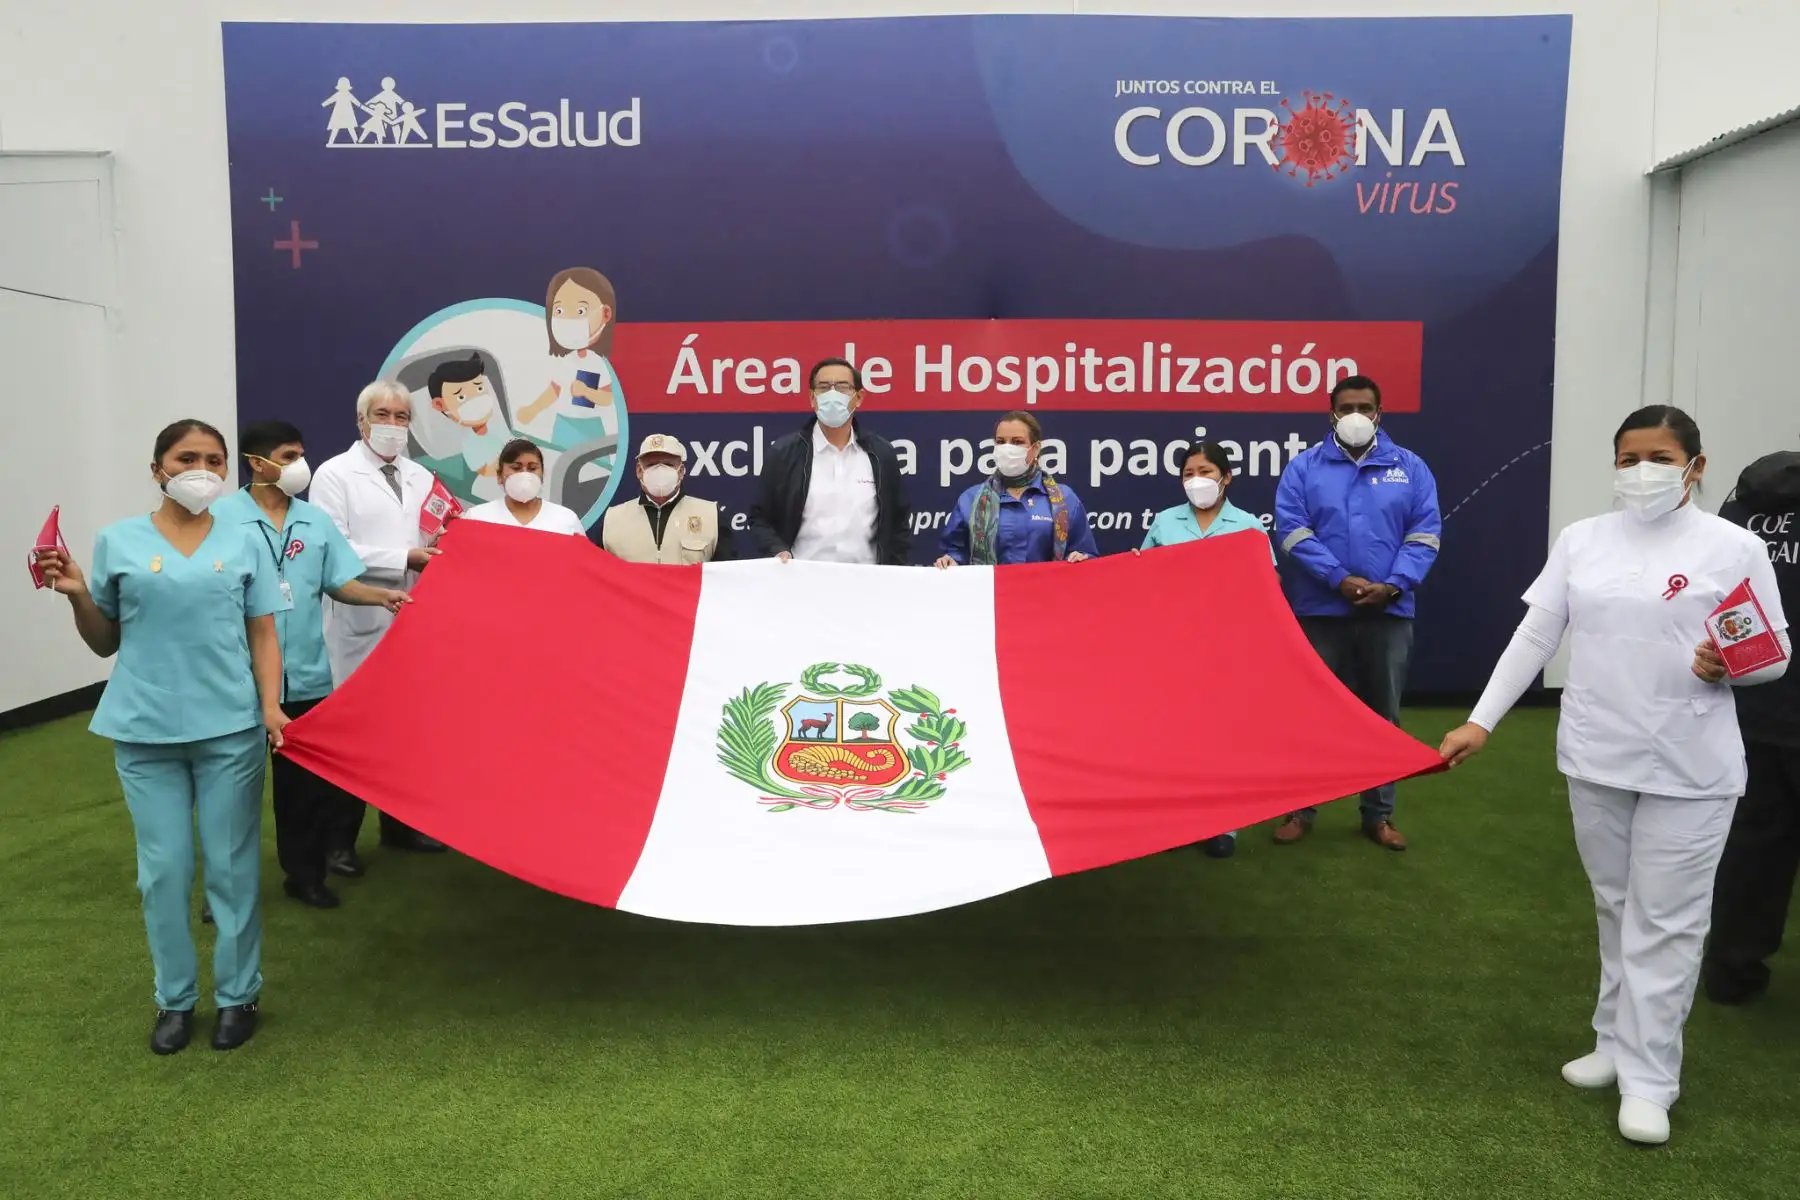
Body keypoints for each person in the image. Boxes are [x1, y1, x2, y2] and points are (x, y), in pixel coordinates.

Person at [1439, 406, 1789, 1146]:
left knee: (1668, 922)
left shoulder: (1733, 547)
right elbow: (1538, 632)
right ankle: (1611, 1042)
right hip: (1598, 753)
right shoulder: (1583, 541)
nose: (1641, 472)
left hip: (1691, 763)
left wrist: (1733, 664)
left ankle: (1652, 1079)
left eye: (1659, 456)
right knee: (1615, 906)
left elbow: (1774, 655)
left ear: (1695, 464)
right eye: (1627, 458)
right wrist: (1482, 718)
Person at [32, 420, 288, 1055]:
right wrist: (76, 596)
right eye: (186, 457)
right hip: (144, 730)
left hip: (230, 726)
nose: (201, 468)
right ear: (158, 469)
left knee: (231, 870)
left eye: (213, 459)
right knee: (164, 872)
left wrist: (271, 707)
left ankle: (238, 995)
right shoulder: (118, 541)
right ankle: (173, 1001)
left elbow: (263, 632)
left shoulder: (246, 539)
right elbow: (105, 641)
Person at [215, 420, 412, 910]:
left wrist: (381, 596)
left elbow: (338, 581)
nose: (299, 464)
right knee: (229, 790)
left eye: (301, 452)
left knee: (303, 788)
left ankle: (304, 875)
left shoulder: (314, 520)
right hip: (235, 675)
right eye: (288, 455)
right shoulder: (220, 519)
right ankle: (222, 888)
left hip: (305, 672)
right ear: (257, 464)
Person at [1272, 375, 1441, 850]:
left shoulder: (1410, 468)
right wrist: (1338, 579)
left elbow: (1425, 533)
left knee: (1381, 715)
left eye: (1365, 407)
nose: (1355, 415)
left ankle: (1379, 815)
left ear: (1379, 413)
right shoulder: (1304, 468)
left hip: (1389, 611)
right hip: (1320, 609)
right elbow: (1292, 531)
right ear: (1331, 413)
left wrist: (1393, 584)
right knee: (1310, 714)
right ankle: (1299, 810)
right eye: (1346, 407)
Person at [310, 381, 446, 864]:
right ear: (361, 421)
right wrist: (404, 556)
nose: (392, 425)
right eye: (382, 415)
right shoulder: (334, 474)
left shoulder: (422, 476)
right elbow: (334, 547)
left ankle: (401, 826)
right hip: (359, 614)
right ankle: (339, 841)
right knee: (356, 733)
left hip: (413, 618)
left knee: (408, 730)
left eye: (401, 417)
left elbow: (439, 531)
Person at [1139, 440, 1276, 858]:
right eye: (1188, 474)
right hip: (1172, 644)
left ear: (1227, 477)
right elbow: (1139, 580)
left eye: (1206, 472)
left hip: (1226, 647)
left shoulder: (1248, 526)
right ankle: (1175, 822)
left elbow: (1268, 588)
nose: (1197, 480)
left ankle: (1223, 825)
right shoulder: (1165, 522)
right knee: (1174, 732)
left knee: (1222, 734)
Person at [1703, 448, 1800, 1005]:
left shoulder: (1744, 502)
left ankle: (1731, 970)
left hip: (1757, 705)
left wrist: (1744, 672)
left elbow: (1723, 597)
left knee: (1752, 847)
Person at [746, 357, 911, 565]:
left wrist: (893, 570)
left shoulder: (881, 455)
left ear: (858, 397)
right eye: (824, 388)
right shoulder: (783, 453)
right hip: (802, 582)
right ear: (812, 398)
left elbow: (898, 524)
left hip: (867, 583)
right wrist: (777, 551)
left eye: (842, 387)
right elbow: (760, 518)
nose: (832, 394)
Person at [935, 412, 1097, 566]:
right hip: (993, 594)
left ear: (1035, 449)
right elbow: (956, 552)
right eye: (1000, 442)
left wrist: (1081, 557)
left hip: (1047, 592)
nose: (1007, 448)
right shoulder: (971, 499)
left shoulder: (1065, 499)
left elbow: (1086, 554)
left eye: (1017, 442)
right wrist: (951, 560)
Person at [594, 433, 734, 562]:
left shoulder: (711, 516)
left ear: (681, 471)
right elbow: (594, 575)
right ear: (639, 471)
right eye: (651, 465)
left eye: (668, 464)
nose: (659, 470)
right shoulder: (612, 520)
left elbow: (727, 578)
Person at [462, 438, 588, 535]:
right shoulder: (477, 517)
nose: (524, 474)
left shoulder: (566, 520)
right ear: (500, 475)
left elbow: (582, 562)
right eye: (516, 468)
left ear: (542, 474)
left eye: (532, 468)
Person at [427, 353, 510, 499]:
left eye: (479, 389)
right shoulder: (470, 444)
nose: (477, 400)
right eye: (461, 397)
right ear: (440, 405)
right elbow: (485, 471)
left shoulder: (497, 429)